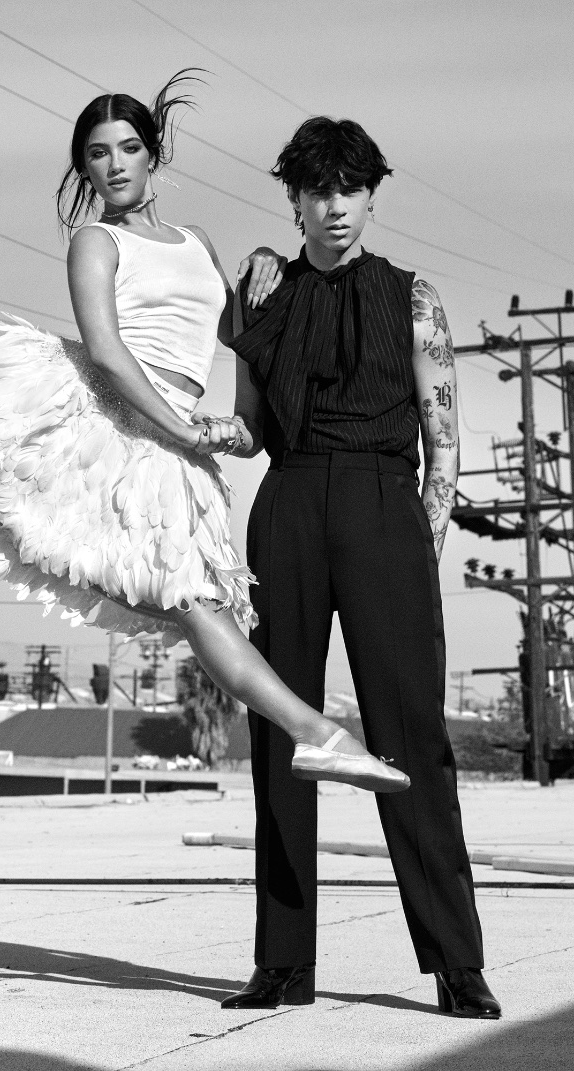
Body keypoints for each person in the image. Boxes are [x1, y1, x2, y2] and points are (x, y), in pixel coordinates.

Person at [0, 75, 409, 800]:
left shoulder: (199, 242)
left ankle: (315, 735)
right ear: (84, 169)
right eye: (97, 153)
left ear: (155, 156)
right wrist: (182, 426)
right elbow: (108, 353)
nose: (115, 164)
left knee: (193, 602)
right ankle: (317, 734)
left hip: (182, 448)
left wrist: (241, 419)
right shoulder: (95, 241)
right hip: (112, 423)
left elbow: (238, 338)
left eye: (129, 148)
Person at [217, 116, 501, 1018]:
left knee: (412, 735)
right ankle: (282, 963)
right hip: (288, 504)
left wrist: (422, 542)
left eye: (350, 189)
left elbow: (444, 438)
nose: (335, 207)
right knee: (278, 736)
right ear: (293, 199)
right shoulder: (263, 297)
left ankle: (457, 961)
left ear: (371, 195)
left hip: (387, 506)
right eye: (317, 190)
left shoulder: (413, 297)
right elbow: (249, 426)